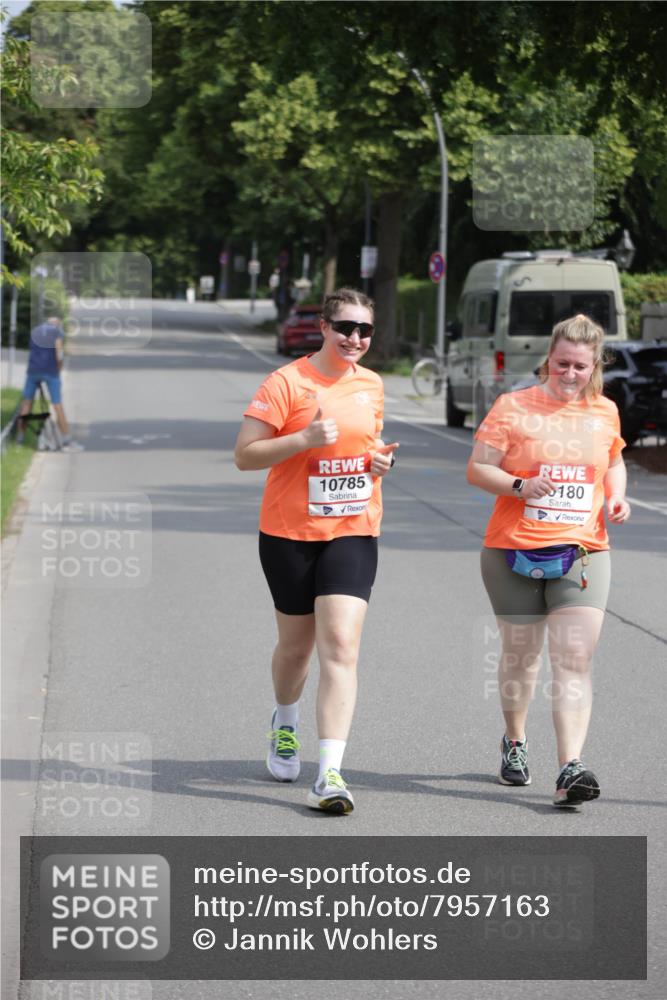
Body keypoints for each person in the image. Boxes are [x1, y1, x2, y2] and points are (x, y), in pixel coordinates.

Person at [235, 287, 398, 814]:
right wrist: (303, 439)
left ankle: (329, 772)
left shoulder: (372, 385)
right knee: (296, 649)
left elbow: (366, 446)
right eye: (346, 327)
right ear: (324, 328)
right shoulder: (286, 382)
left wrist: (379, 465)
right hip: (288, 532)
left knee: (341, 645)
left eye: (365, 330)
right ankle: (286, 718)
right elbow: (245, 455)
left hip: (353, 526)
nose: (356, 338)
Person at [467, 314, 631, 808]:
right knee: (522, 657)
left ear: (594, 365)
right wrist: (520, 485)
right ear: (548, 360)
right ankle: (515, 741)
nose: (570, 373)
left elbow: (615, 459)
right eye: (562, 363)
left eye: (580, 366)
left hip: (583, 552)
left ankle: (570, 767)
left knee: (574, 660)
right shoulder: (513, 406)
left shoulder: (604, 411)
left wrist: (616, 496)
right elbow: (478, 468)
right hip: (512, 548)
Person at [17, 315, 83, 452]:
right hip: (50, 372)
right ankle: (66, 442)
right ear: (57, 324)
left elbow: (32, 351)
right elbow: (59, 352)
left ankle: (20, 438)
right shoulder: (56, 332)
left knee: (27, 404)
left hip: (33, 371)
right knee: (57, 404)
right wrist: (59, 367)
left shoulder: (35, 331)